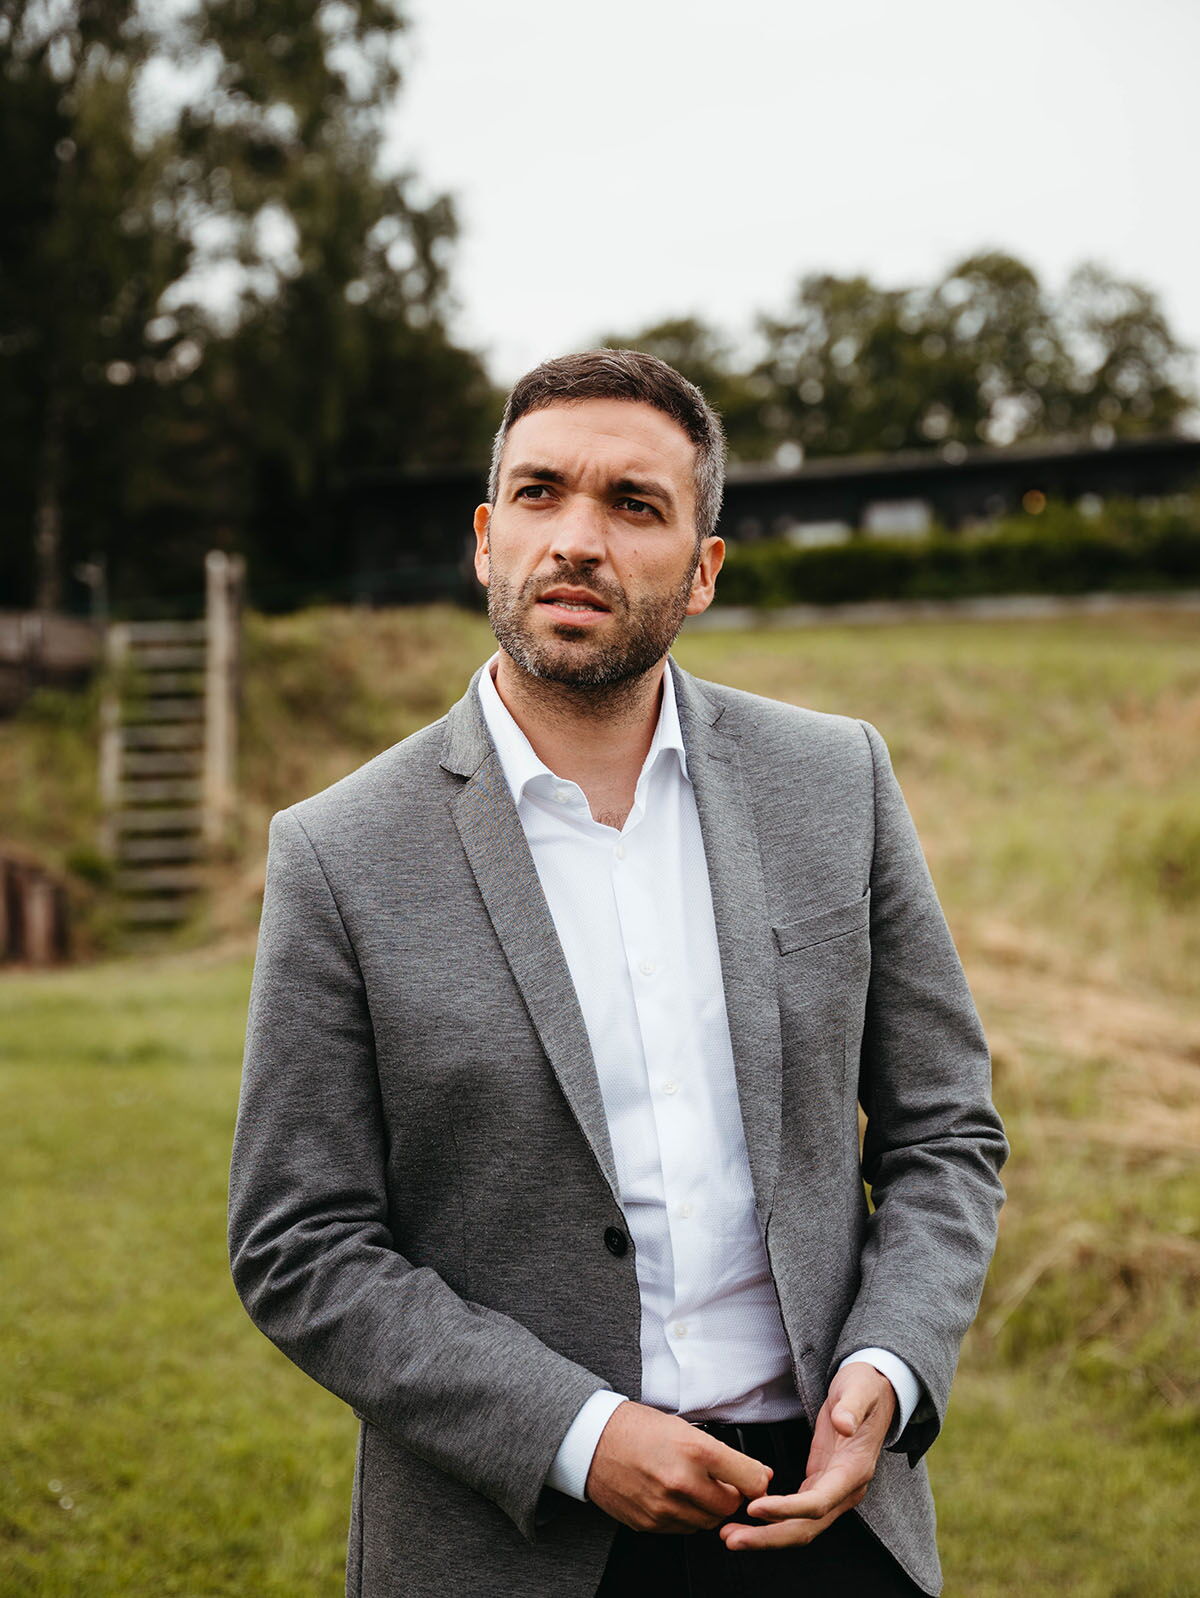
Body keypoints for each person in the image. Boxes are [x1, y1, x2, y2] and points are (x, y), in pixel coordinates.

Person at [228, 349, 1008, 1598]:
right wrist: (578, 1435)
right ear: (488, 539)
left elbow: (946, 1129)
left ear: (703, 570)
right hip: (517, 1539)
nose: (576, 540)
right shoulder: (337, 850)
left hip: (828, 1516)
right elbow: (301, 1240)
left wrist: (893, 1364)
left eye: (634, 505)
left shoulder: (837, 782)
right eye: (541, 494)